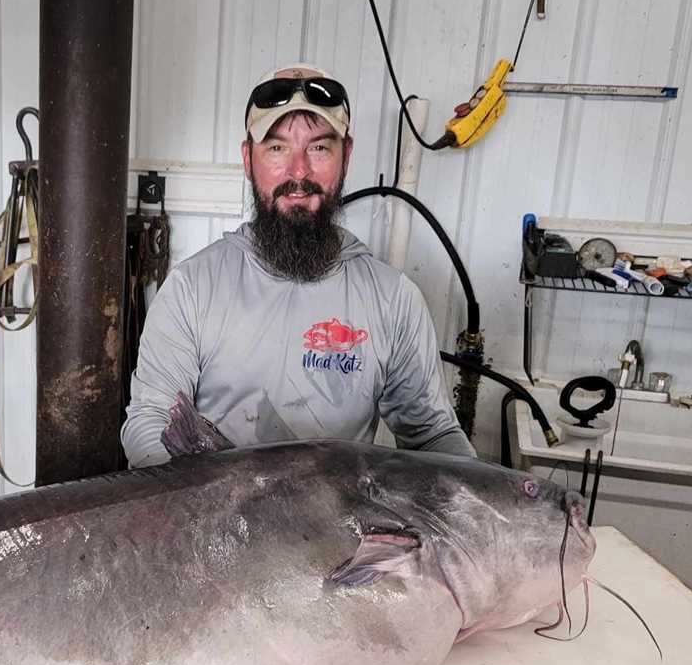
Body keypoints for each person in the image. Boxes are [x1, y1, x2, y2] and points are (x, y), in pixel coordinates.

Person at [120, 63, 475, 468]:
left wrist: (484, 503)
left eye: (320, 147)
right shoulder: (192, 288)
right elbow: (151, 422)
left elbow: (433, 434)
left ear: (347, 156)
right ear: (248, 159)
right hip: (216, 525)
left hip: (340, 528)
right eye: (276, 148)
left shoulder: (392, 299)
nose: (299, 172)